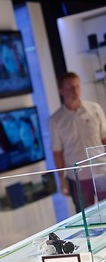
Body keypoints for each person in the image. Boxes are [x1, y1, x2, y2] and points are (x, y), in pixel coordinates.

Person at [49, 71, 106, 213]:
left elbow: (104, 137)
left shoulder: (94, 109)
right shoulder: (56, 120)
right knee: (86, 216)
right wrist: (61, 181)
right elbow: (57, 152)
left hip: (101, 171)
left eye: (77, 86)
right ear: (61, 91)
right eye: (70, 87)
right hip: (78, 178)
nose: (75, 91)